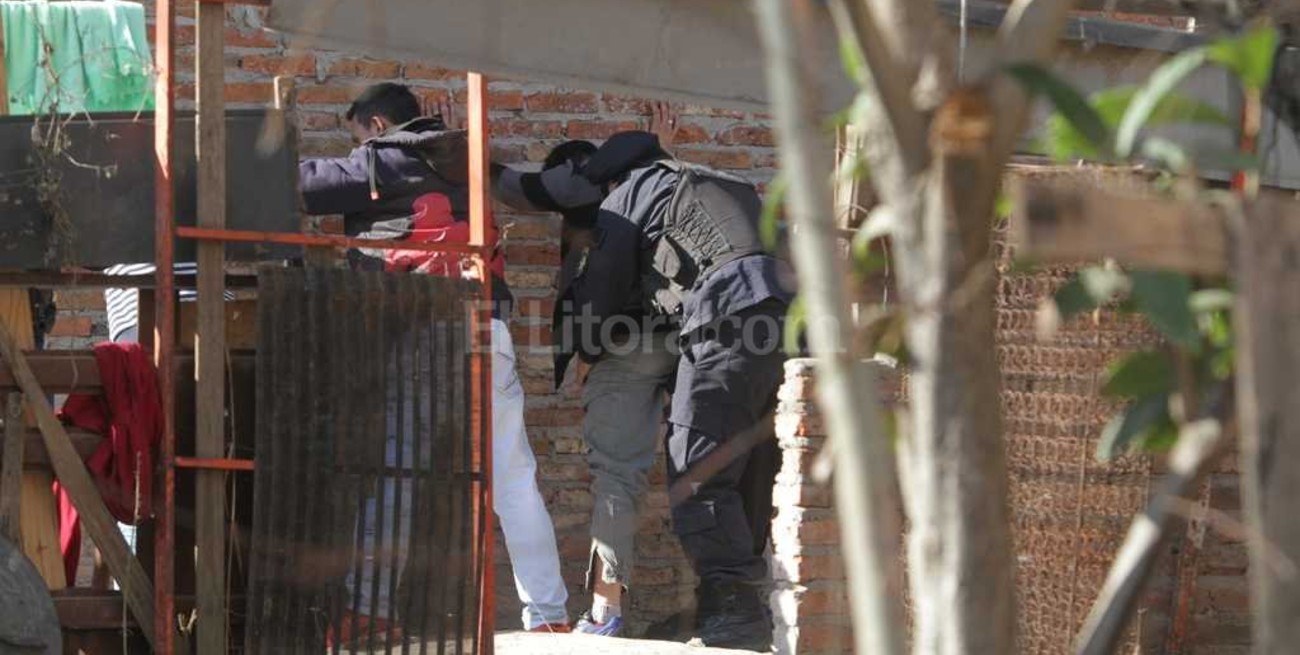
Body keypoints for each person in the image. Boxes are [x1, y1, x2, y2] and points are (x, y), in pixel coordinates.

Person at [495, 129, 793, 650]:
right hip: (771, 318)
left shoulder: (625, 197)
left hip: (691, 327)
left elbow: (601, 289)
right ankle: (739, 608)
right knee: (748, 461)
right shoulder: (709, 181)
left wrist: (586, 350)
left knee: (670, 471)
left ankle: (634, 612)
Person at [298, 82, 571, 635]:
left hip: (424, 326)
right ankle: (549, 617)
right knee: (514, 476)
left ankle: (370, 613)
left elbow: (300, 185)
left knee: (399, 469)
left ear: (377, 125)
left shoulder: (384, 160)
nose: (356, 148)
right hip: (488, 326)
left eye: (357, 136)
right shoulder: (466, 159)